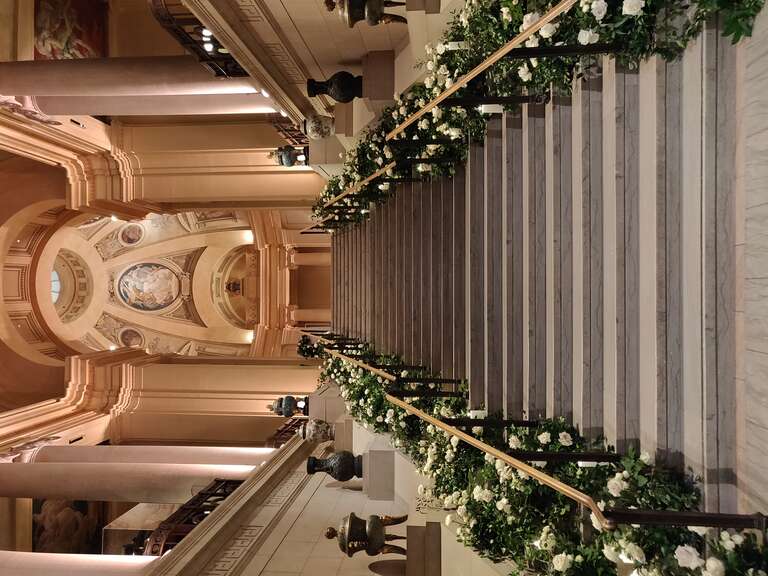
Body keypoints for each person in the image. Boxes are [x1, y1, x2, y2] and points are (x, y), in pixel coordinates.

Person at [325, 513, 408, 557]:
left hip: (372, 544)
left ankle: (405, 552)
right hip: (371, 528)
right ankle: (404, 518)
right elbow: (353, 548)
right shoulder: (343, 522)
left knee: (384, 546)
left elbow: (352, 549)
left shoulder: (342, 545)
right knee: (375, 520)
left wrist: (361, 545)